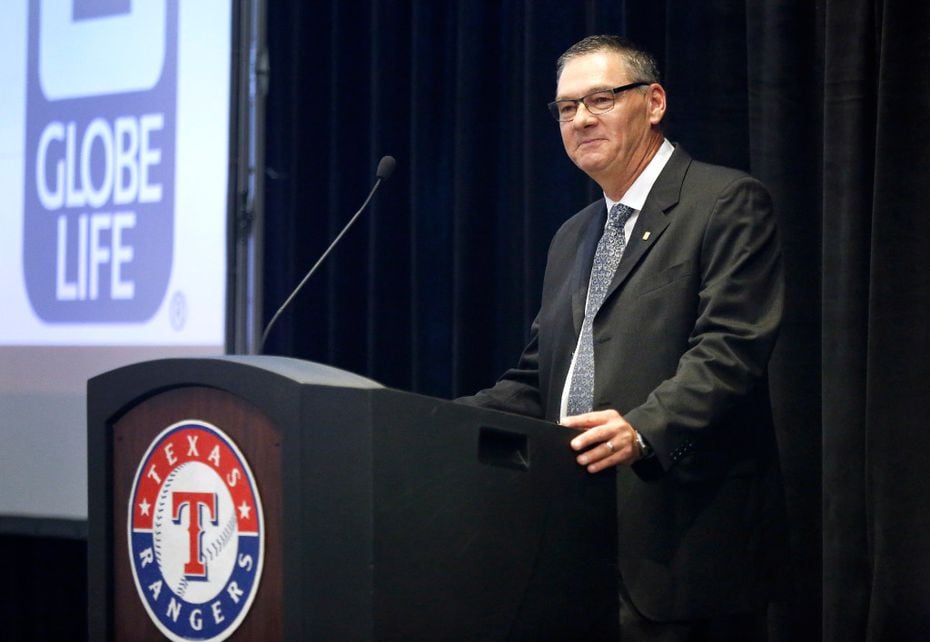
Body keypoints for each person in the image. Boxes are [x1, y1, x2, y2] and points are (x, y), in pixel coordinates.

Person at [458, 34, 785, 640]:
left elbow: (731, 350)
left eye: (601, 99)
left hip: (680, 543)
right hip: (574, 542)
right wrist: (430, 422)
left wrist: (642, 430)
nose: (581, 119)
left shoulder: (725, 202)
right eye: (565, 108)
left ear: (654, 102)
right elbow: (538, 380)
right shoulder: (572, 236)